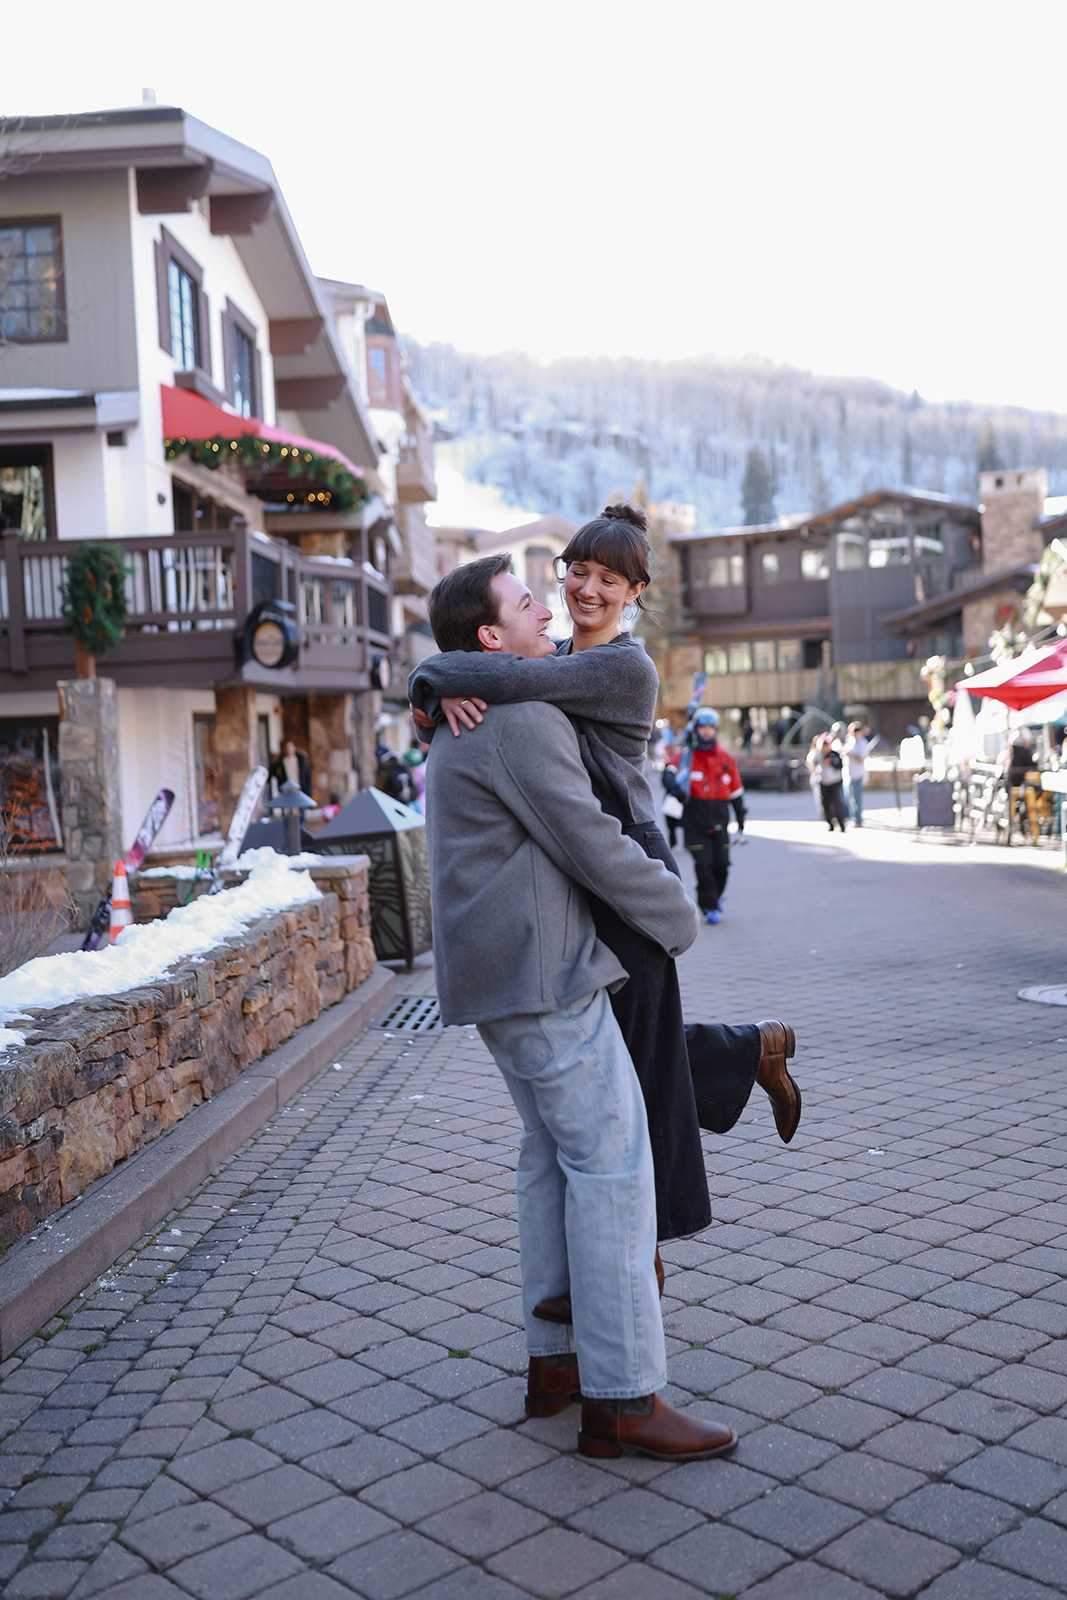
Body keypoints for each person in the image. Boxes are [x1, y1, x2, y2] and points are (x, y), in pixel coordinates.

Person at [409, 507, 801, 1261]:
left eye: (607, 578)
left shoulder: (623, 666)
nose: (586, 587)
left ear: (634, 592)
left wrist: (431, 678)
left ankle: (642, 1258)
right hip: (579, 876)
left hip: (628, 864)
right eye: (577, 571)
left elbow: (489, 669)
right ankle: (750, 1052)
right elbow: (494, 668)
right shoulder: (546, 654)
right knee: (616, 1063)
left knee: (640, 1076)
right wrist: (435, 694)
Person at [420, 553, 737, 1461]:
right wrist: (677, 915)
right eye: (527, 603)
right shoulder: (513, 723)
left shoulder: (473, 714)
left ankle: (553, 1366)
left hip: (499, 979)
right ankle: (624, 1396)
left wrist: (432, 683)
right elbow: (591, 843)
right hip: (543, 975)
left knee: (549, 1164)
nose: (548, 613)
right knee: (611, 1169)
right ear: (492, 638)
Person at [667, 708, 744, 925]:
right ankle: (709, 906)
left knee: (722, 865)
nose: (707, 731)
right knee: (704, 866)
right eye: (703, 726)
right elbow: (668, 774)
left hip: (720, 821)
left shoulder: (725, 757)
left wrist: (741, 823)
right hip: (695, 823)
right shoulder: (686, 756)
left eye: (711, 727)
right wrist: (676, 788)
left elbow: (737, 793)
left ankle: (716, 897)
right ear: (696, 728)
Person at [816, 732, 848, 831]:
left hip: (834, 782)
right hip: (823, 782)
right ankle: (830, 823)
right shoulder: (819, 756)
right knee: (826, 804)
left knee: (837, 803)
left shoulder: (834, 755)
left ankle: (841, 824)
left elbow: (840, 765)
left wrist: (831, 763)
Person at [844, 721, 871, 827]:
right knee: (849, 797)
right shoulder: (850, 742)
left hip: (858, 774)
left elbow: (862, 759)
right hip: (849, 773)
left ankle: (858, 820)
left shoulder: (862, 743)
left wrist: (852, 755)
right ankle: (853, 817)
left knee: (857, 798)